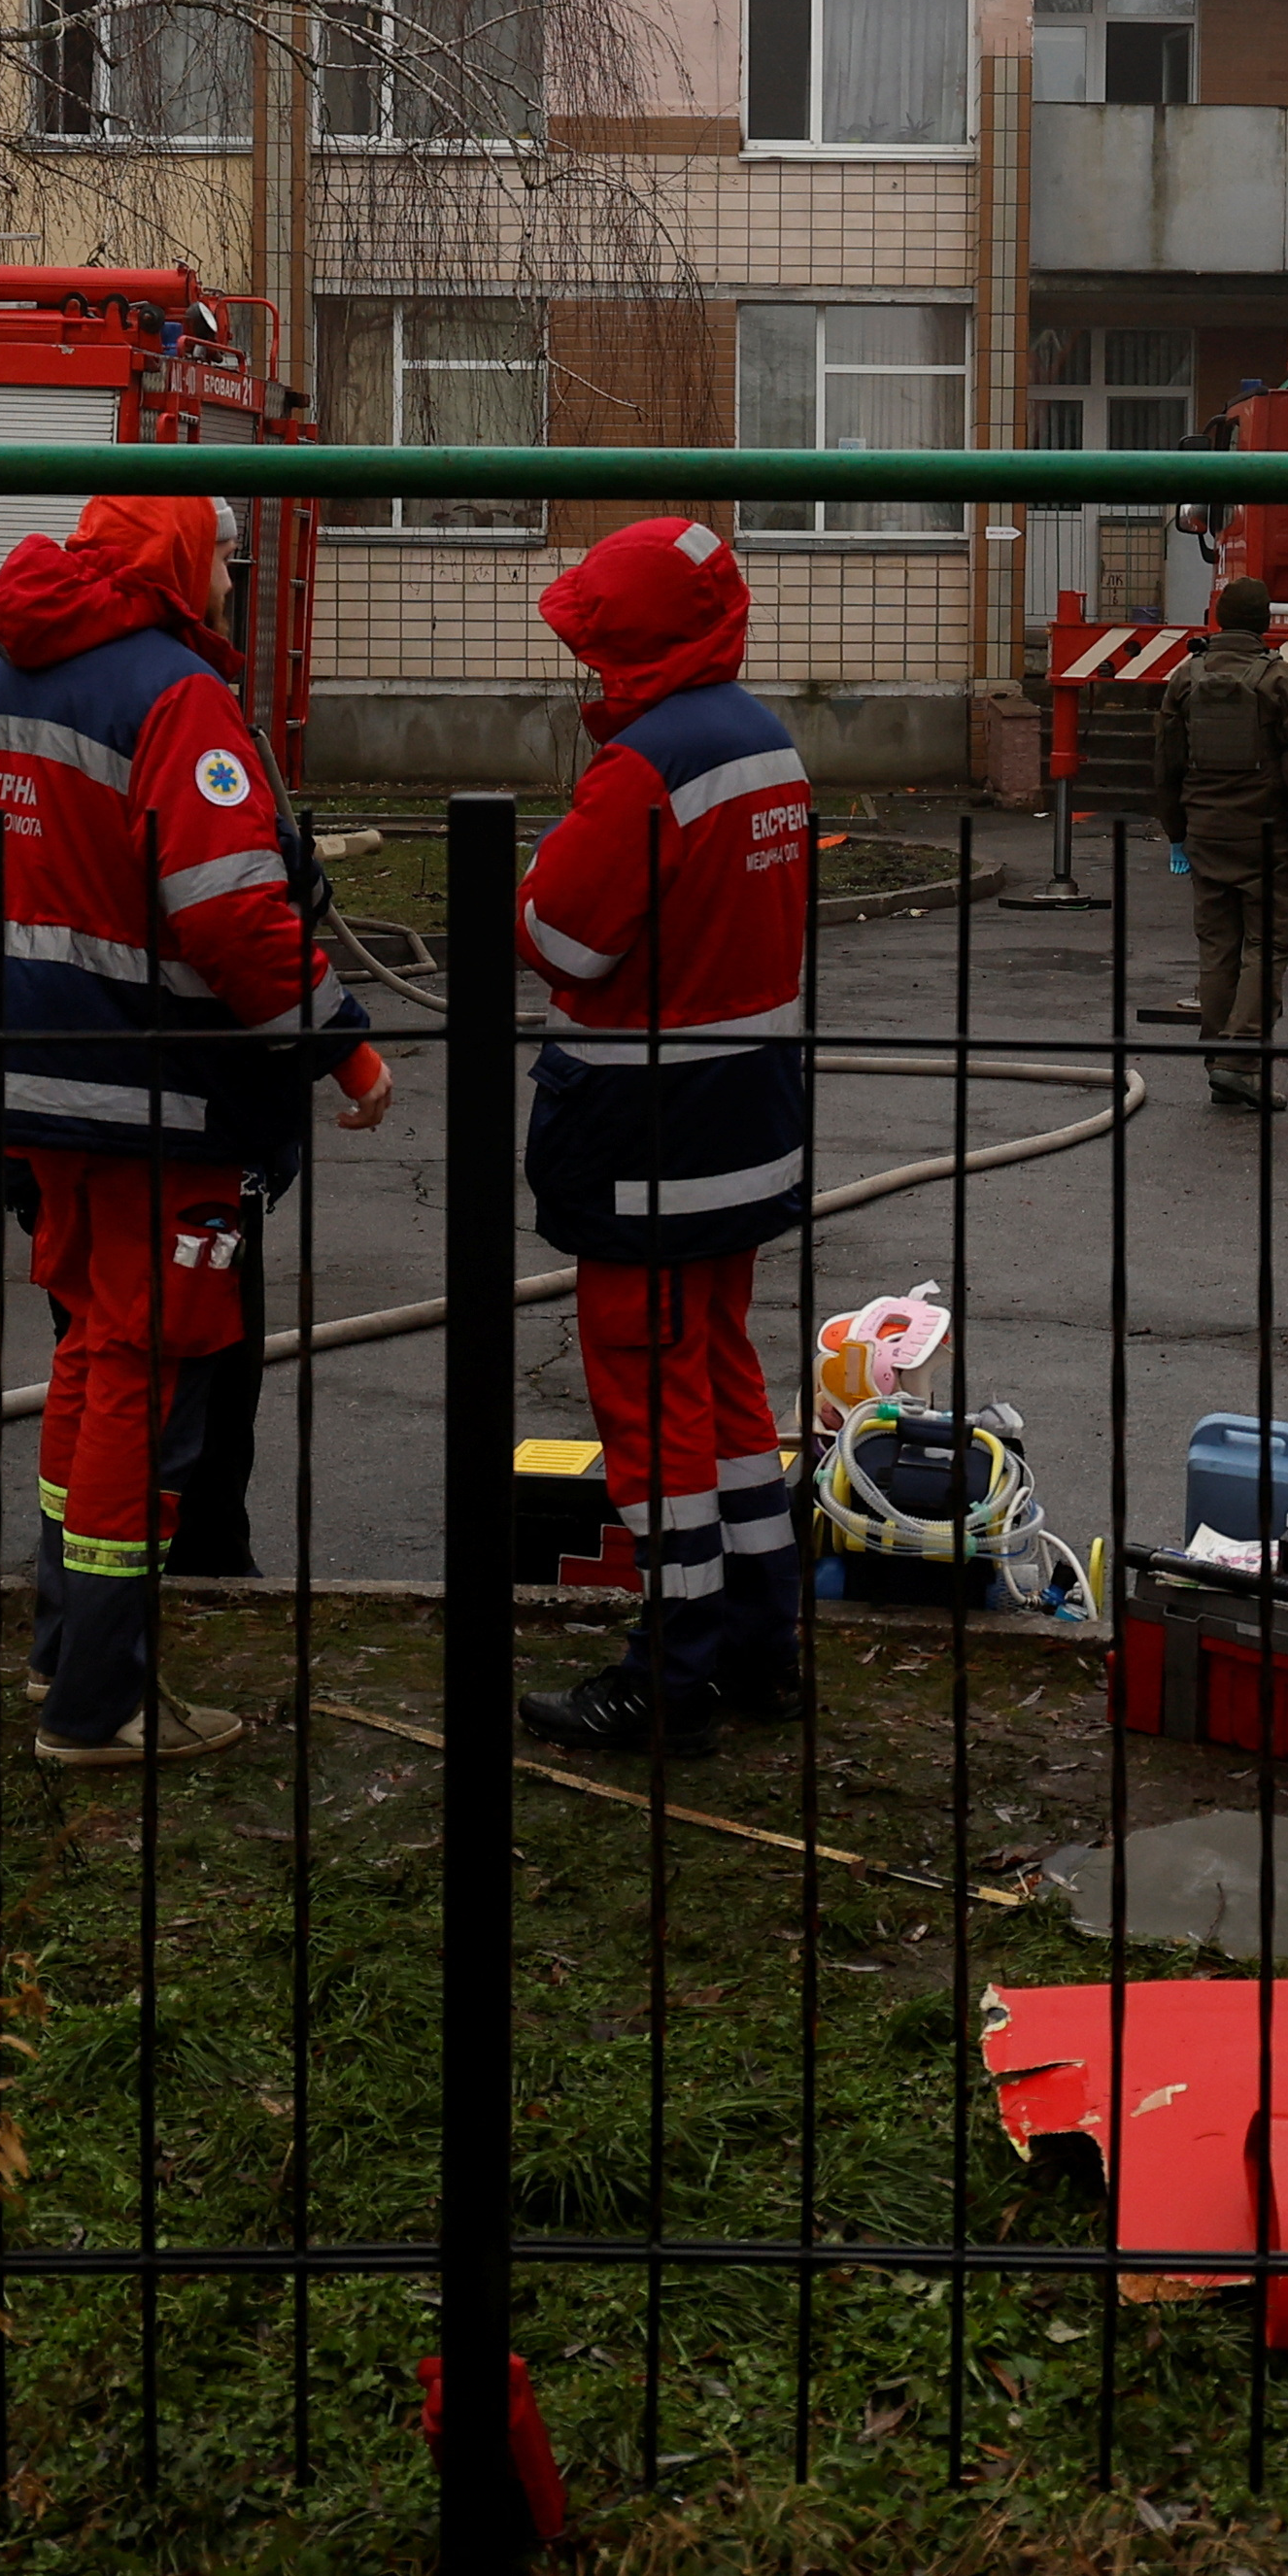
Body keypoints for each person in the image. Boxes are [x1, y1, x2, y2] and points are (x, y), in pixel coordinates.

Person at [0, 495, 388, 1769]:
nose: (236, 584)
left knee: (90, 1360)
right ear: (186, 560)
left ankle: (64, 1652)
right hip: (159, 1098)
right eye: (230, 561)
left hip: (45, 1086)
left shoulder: (12, 673)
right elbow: (231, 912)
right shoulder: (173, 693)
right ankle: (101, 1705)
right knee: (139, 1374)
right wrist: (339, 1044)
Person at [511, 517, 815, 1759]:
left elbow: (564, 940)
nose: (584, 666)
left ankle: (668, 1671)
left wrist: (533, 873)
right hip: (746, 1127)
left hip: (647, 1142)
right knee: (731, 1392)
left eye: (596, 640)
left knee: (652, 1416)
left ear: (634, 641)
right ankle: (760, 1644)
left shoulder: (647, 766)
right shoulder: (763, 742)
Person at [1151, 582, 1288, 1106]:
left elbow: (1166, 763)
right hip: (1263, 832)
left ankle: (1219, 1061)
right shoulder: (1278, 679)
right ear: (1265, 621)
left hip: (1205, 831)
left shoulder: (1185, 677)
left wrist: (1177, 832)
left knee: (1218, 944)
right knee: (1267, 943)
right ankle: (1241, 1060)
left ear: (1218, 619)